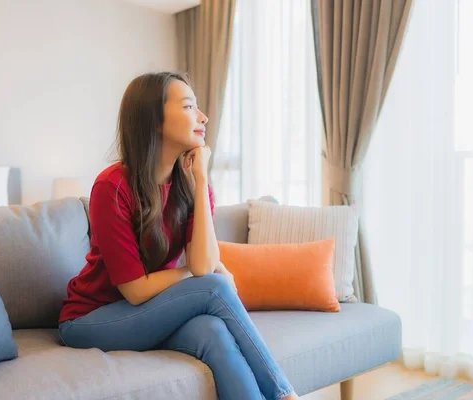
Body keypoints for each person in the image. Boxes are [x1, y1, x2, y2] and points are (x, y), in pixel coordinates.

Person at [58, 72, 299, 400]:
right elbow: (136, 289)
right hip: (91, 318)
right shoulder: (112, 187)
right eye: (189, 107)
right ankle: (286, 394)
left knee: (213, 331)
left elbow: (202, 263)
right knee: (214, 286)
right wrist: (201, 274)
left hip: (153, 310)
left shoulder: (193, 185)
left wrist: (201, 180)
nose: (203, 117)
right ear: (155, 120)